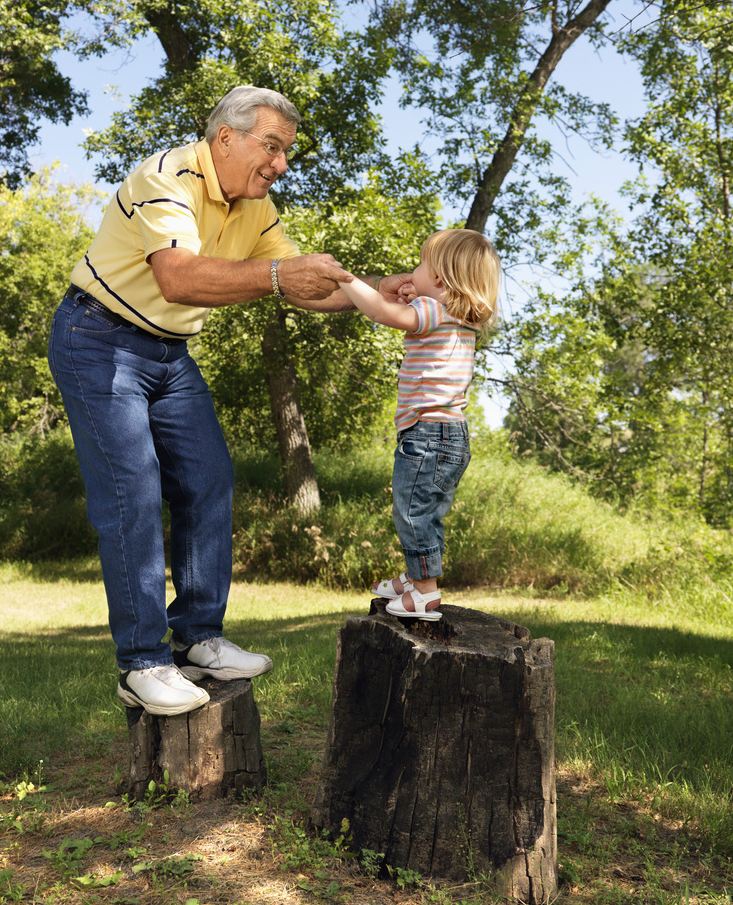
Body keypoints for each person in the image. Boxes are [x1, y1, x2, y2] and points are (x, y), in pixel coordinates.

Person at [48, 86, 411, 716]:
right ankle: (142, 663)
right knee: (131, 492)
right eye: (271, 147)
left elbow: (302, 283)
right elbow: (179, 277)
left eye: (287, 152)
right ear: (226, 138)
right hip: (98, 338)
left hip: (168, 354)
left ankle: (198, 638)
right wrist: (276, 277)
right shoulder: (165, 178)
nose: (281, 164)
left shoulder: (255, 205)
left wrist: (379, 292)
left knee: (209, 477)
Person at [338, 229, 500, 620]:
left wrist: (347, 280)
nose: (414, 269)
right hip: (450, 436)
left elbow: (381, 312)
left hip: (427, 434)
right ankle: (416, 578)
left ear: (440, 278)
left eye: (421, 263)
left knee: (411, 513)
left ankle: (425, 593)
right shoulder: (459, 317)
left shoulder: (433, 312)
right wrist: (417, 296)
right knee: (426, 513)